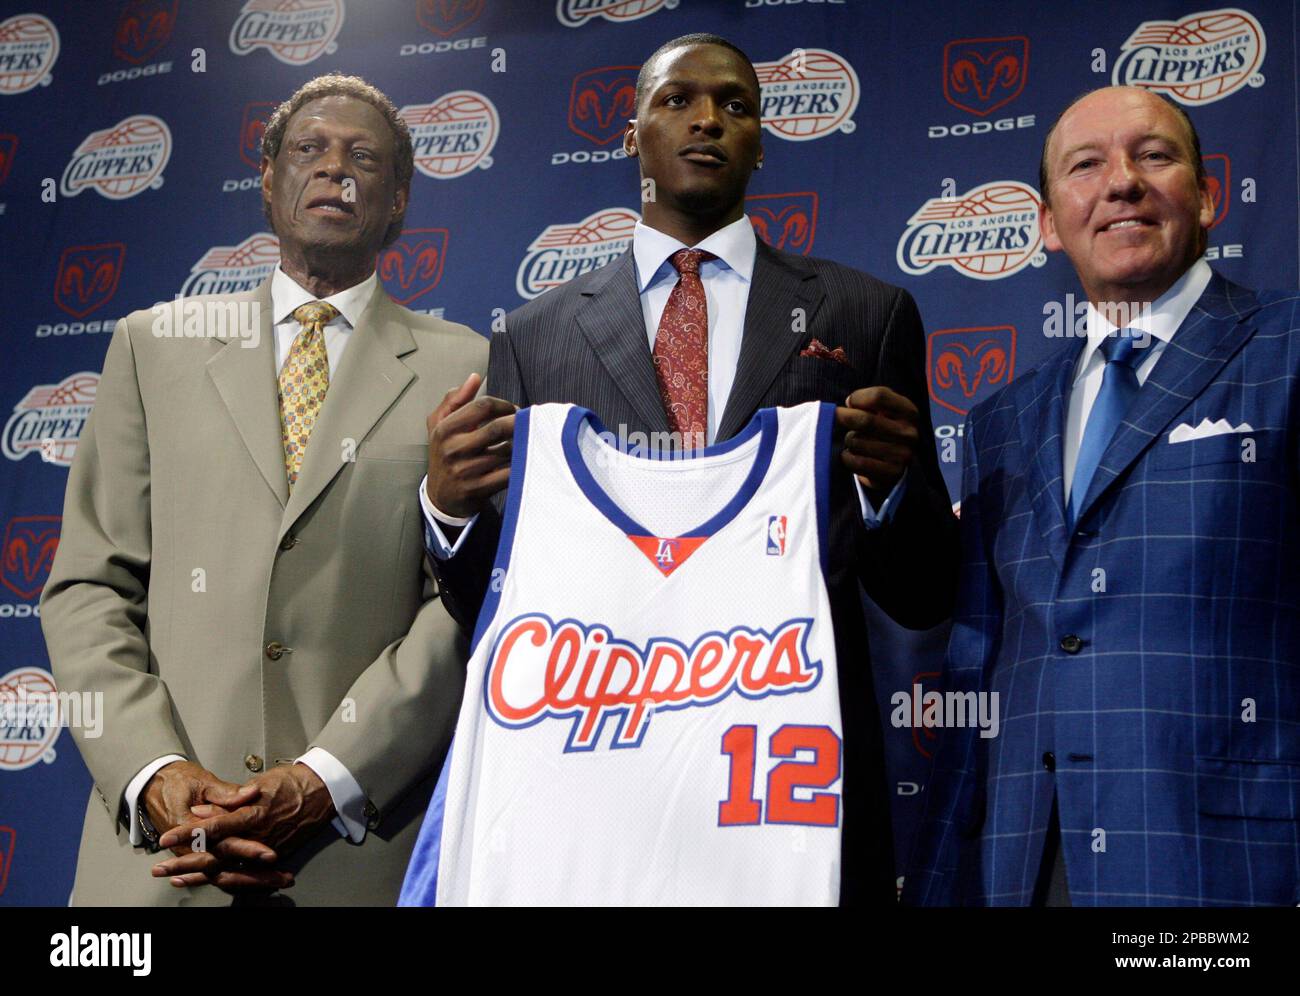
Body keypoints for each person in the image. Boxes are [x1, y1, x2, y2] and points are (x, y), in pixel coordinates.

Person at [419, 33, 958, 903]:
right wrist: (448, 513)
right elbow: (497, 602)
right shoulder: (536, 334)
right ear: (632, 132)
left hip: (787, 784)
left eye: (735, 104)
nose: (707, 119)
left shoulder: (867, 312)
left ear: (761, 139)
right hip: (595, 787)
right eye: (678, 100)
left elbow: (926, 588)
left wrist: (892, 491)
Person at [41, 74, 483, 905]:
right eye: (309, 149)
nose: (334, 169)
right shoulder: (151, 348)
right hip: (159, 862)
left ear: (398, 203)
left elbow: (462, 603)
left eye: (364, 158)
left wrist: (324, 779)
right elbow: (88, 587)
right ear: (268, 181)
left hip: (350, 861)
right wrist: (159, 775)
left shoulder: (468, 369)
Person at [905, 85, 1300, 907]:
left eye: (1153, 155)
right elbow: (977, 671)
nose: (1121, 181)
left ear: (1208, 197)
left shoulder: (1288, 345)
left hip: (1232, 862)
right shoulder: (999, 422)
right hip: (1022, 863)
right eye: (1086, 165)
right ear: (1050, 223)